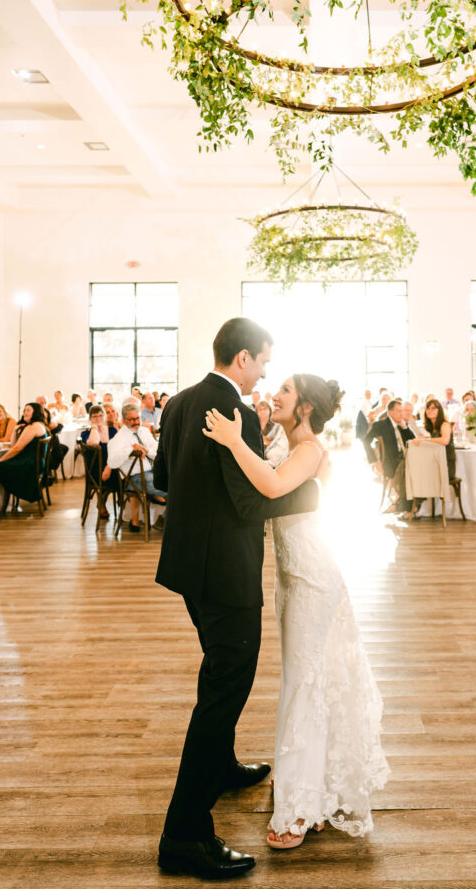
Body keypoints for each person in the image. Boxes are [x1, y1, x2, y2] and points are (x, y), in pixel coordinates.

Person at [152, 317, 327, 880]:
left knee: (217, 671)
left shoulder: (179, 403)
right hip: (226, 573)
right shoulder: (236, 413)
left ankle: (222, 765)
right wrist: (305, 495)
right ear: (244, 359)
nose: (266, 375)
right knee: (224, 690)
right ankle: (184, 833)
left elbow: (163, 479)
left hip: (186, 567)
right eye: (265, 364)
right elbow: (252, 505)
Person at [204, 373, 388, 850]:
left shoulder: (308, 450)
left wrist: (231, 439)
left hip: (312, 577)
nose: (274, 395)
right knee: (304, 679)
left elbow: (269, 486)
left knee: (306, 683)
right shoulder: (284, 443)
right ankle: (313, 788)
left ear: (304, 408)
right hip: (294, 577)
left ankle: (301, 807)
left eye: (284, 392)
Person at [0, 403, 48, 518]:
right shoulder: (34, 425)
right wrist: (15, 430)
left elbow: (16, 448)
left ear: (35, 412)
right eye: (24, 410)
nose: (24, 413)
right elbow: (14, 445)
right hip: (30, 462)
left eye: (28, 410)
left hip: (28, 465)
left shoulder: (34, 426)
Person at [107, 403, 166, 532]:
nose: (136, 422)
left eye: (137, 418)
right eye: (132, 419)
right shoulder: (119, 438)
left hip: (152, 471)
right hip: (133, 479)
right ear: (124, 420)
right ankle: (163, 521)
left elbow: (157, 451)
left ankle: (164, 519)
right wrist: (130, 449)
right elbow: (112, 462)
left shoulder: (144, 431)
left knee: (178, 482)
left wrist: (146, 450)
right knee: (171, 488)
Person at [404, 397, 455, 520]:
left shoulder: (444, 424)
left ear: (439, 410)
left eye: (434, 408)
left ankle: (415, 507)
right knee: (413, 471)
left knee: (420, 474)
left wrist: (426, 440)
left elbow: (445, 440)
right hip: (436, 462)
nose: (430, 411)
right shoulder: (431, 427)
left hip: (447, 465)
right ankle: (410, 506)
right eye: (428, 408)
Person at [364, 399, 415, 513]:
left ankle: (402, 503)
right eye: (399, 411)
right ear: (390, 412)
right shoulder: (381, 425)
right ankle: (404, 506)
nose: (402, 414)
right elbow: (366, 441)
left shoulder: (402, 424)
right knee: (407, 468)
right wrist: (375, 461)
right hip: (390, 462)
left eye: (402, 411)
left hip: (405, 458)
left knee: (419, 467)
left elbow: (413, 441)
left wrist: (405, 428)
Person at [80, 404, 118, 519]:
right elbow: (94, 443)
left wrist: (109, 466)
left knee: (123, 473)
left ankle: (120, 504)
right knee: (120, 477)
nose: (98, 419)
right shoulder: (86, 433)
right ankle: (119, 501)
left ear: (105, 416)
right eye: (94, 416)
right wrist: (94, 427)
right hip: (95, 470)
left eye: (101, 415)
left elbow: (118, 450)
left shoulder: (112, 431)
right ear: (90, 419)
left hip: (111, 467)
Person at [255, 399, 286, 467]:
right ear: (256, 412)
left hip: (271, 457)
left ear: (270, 410)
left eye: (265, 409)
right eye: (260, 409)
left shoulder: (276, 424)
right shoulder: (254, 424)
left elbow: (273, 442)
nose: (262, 411)